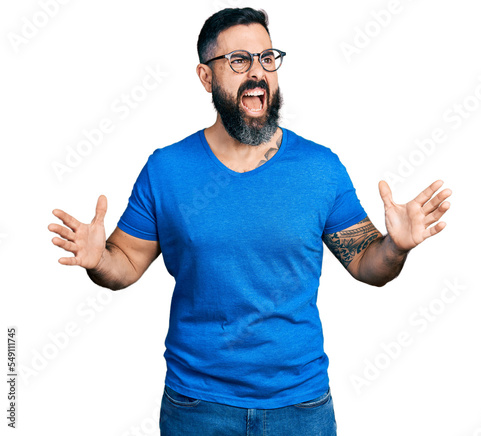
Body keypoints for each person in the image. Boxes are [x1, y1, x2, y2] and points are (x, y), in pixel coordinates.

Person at [48, 7, 451, 436]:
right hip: (197, 406)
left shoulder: (319, 168)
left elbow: (368, 264)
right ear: (206, 77)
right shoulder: (167, 169)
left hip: (301, 406)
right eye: (238, 60)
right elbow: (125, 262)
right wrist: (97, 260)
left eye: (266, 58)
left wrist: (396, 247)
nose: (257, 72)